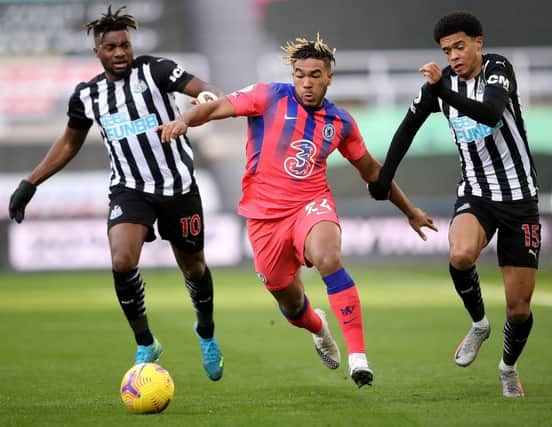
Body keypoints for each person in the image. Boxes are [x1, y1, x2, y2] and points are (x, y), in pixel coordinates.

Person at [157, 34, 437, 388]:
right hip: (263, 219)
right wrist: (186, 120)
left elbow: (372, 173)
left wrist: (409, 210)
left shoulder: (341, 123)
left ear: (328, 78)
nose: (307, 82)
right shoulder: (268, 95)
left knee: (328, 257)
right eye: (300, 74)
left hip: (311, 204)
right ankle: (319, 329)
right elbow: (214, 107)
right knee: (291, 306)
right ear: (293, 75)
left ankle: (359, 358)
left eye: (315, 75)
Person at [8, 5, 224, 381]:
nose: (120, 52)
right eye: (111, 47)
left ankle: (205, 331)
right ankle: (145, 341)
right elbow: (69, 143)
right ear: (98, 52)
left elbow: (203, 88)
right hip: (130, 189)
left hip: (178, 186)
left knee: (194, 266)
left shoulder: (155, 70)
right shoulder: (87, 95)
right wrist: (31, 183)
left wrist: (204, 100)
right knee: (122, 260)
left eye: (125, 45)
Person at [369, 12, 540, 397]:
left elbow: (491, 112)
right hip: (476, 193)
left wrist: (440, 90)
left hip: (519, 199)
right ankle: (479, 324)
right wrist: (384, 178)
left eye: (460, 46)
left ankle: (508, 367)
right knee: (461, 254)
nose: (454, 56)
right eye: (447, 51)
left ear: (478, 42)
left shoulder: (498, 70)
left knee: (519, 308)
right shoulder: (439, 84)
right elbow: (407, 127)